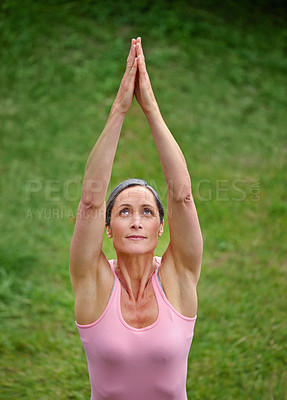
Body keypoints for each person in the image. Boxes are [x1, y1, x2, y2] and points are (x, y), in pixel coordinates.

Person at [69, 37, 203, 400]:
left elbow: (183, 197)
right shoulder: (92, 282)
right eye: (124, 212)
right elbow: (91, 202)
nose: (136, 220)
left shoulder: (179, 277)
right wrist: (119, 110)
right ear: (107, 229)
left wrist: (152, 110)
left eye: (147, 212)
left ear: (162, 227)